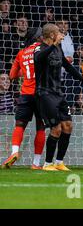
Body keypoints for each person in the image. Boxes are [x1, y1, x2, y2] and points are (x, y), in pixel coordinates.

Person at [34, 23, 83, 171]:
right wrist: (53, 45)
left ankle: (59, 162)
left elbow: (68, 67)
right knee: (56, 129)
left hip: (58, 93)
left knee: (68, 126)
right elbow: (39, 59)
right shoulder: (39, 49)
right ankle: (47, 164)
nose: (62, 35)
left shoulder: (58, 49)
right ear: (52, 35)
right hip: (45, 94)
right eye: (59, 33)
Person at [2, 28, 45, 169]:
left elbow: (12, 75)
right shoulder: (43, 50)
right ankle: (36, 163)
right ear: (38, 38)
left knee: (20, 125)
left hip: (25, 94)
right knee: (41, 127)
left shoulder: (21, 53)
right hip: (41, 93)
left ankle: (14, 152)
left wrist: (26, 72)